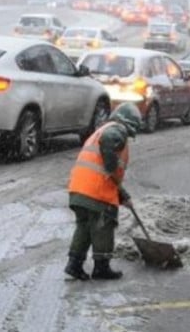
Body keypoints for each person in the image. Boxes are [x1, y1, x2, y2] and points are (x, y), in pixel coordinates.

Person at [65, 102, 142, 281]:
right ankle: (101, 268)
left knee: (84, 228)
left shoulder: (101, 129)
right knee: (103, 228)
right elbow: (109, 155)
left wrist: (124, 196)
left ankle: (74, 264)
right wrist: (111, 163)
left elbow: (107, 174)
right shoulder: (117, 130)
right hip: (97, 193)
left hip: (79, 189)